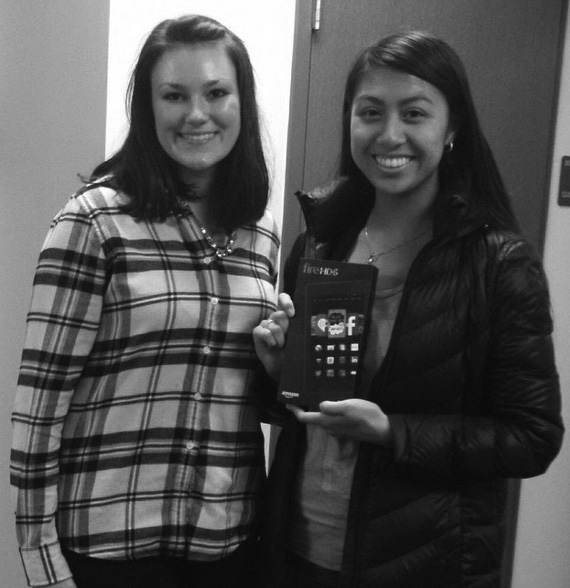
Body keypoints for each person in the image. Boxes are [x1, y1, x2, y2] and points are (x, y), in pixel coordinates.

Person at [253, 30, 564, 588]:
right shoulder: (321, 243)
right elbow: (301, 409)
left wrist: (391, 431)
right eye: (370, 112)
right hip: (298, 548)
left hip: (424, 563)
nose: (389, 134)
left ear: (452, 128)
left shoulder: (498, 263)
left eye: (414, 113)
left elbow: (532, 437)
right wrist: (280, 372)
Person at [11, 14, 279, 588]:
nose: (197, 114)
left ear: (242, 102)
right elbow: (40, 407)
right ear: (148, 108)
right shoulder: (93, 222)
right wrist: (42, 561)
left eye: (216, 93)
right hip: (111, 548)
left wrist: (276, 365)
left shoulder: (261, 231)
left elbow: (241, 389)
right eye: (174, 95)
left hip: (226, 540)